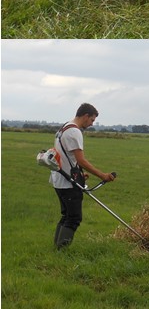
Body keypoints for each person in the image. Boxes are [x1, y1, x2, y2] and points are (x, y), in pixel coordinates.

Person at [50, 103, 116, 249]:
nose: (92, 124)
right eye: (92, 120)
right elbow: (81, 160)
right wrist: (102, 175)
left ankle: (57, 248)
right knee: (74, 217)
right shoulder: (74, 132)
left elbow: (66, 156)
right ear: (85, 116)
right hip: (68, 182)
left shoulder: (64, 127)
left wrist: (79, 173)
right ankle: (61, 251)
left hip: (60, 179)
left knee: (66, 215)